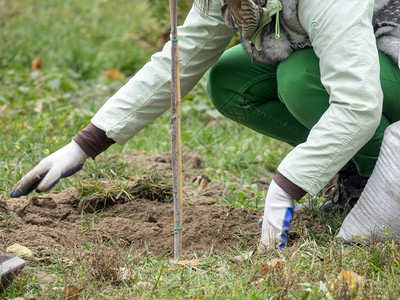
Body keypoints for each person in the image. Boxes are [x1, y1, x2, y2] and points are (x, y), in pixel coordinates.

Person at [10, 0, 400, 250]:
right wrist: (84, 144)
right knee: (230, 80)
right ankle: (349, 161)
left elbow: (359, 105)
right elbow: (175, 63)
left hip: (387, 57)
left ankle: (376, 177)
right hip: (338, 61)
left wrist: (288, 183)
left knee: (299, 80)